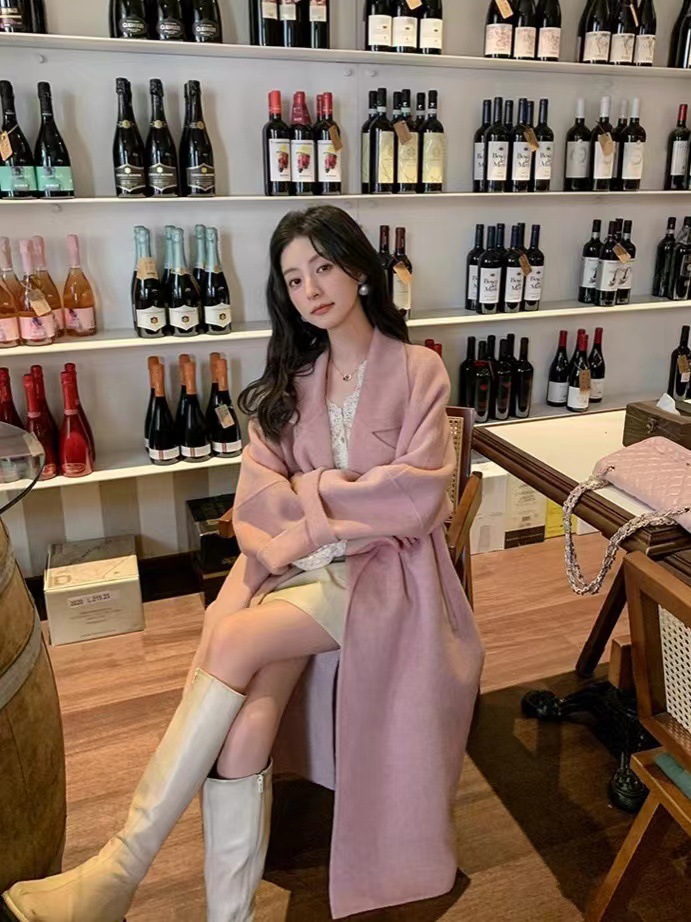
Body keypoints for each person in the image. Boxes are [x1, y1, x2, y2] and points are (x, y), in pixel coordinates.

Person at [2, 205, 484, 922]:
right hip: (300, 568)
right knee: (248, 725)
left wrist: (310, 496)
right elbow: (257, 495)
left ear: (358, 269)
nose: (311, 289)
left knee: (232, 636)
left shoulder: (418, 371)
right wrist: (336, 501)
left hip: (388, 575)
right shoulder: (295, 378)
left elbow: (415, 499)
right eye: (294, 279)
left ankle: (117, 871)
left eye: (323, 267)